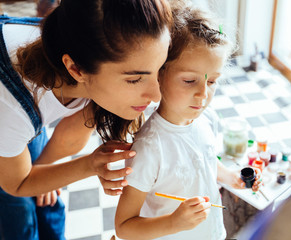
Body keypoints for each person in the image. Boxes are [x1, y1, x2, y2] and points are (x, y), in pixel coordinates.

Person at [0, 0, 172, 239]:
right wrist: (89, 165)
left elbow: (71, 134)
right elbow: (16, 184)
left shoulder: (82, 42)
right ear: (76, 69)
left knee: (48, 202)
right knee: (18, 218)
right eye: (134, 79)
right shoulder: (10, 110)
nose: (156, 95)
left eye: (159, 69)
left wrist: (43, 171)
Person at [114, 1, 261, 239]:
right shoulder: (149, 148)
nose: (203, 94)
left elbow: (203, 162)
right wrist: (174, 222)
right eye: (190, 80)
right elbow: (124, 227)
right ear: (160, 74)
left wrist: (231, 178)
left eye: (211, 81)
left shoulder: (206, 119)